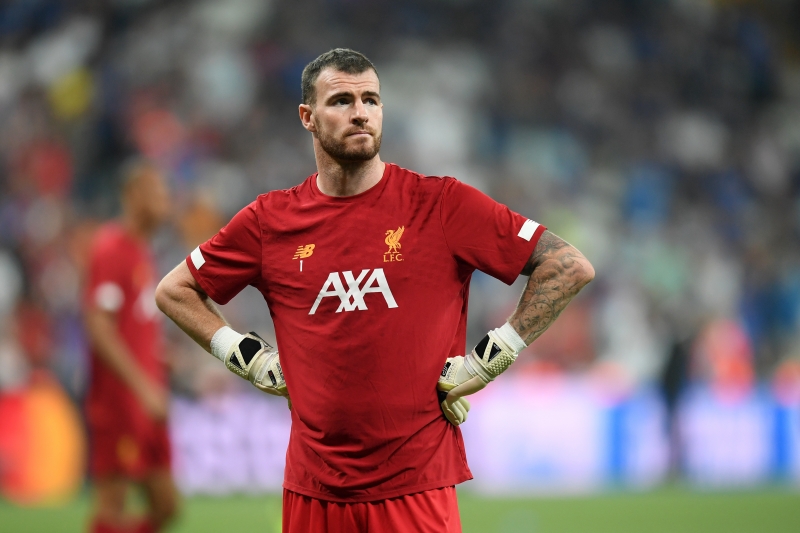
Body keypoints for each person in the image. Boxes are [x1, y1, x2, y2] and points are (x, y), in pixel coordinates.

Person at [155, 48, 594, 533]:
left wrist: (490, 358)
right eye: (342, 100)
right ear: (307, 117)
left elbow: (568, 265)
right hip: (312, 492)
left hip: (416, 489)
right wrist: (250, 360)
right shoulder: (269, 221)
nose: (361, 112)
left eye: (371, 99)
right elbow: (175, 290)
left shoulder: (440, 204)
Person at [83, 161, 179, 533]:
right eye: (157, 192)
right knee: (112, 505)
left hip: (147, 397)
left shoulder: (141, 251)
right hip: (120, 400)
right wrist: (142, 385)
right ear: (133, 196)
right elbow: (99, 326)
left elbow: (131, 326)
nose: (166, 201)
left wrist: (158, 358)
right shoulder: (111, 248)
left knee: (166, 506)